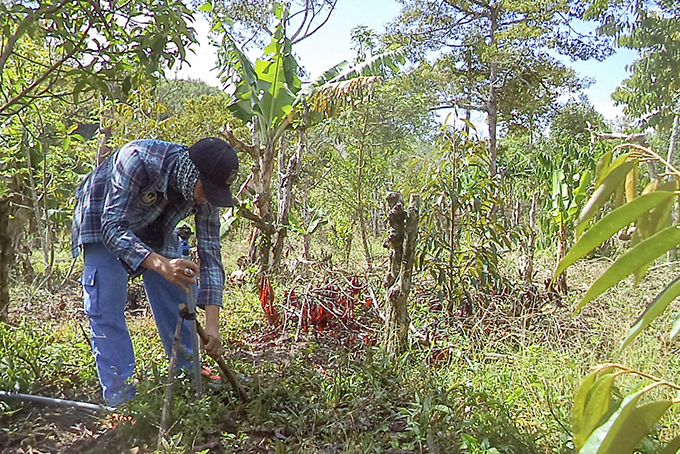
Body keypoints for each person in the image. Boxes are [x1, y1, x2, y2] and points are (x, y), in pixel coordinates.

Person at [71, 137, 238, 406]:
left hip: (154, 223)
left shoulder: (204, 192)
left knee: (179, 288)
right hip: (103, 216)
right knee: (106, 303)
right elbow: (113, 229)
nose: (208, 198)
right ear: (191, 173)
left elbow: (211, 252)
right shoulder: (136, 159)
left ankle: (186, 374)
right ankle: (120, 399)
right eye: (206, 189)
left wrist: (212, 326)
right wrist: (161, 264)